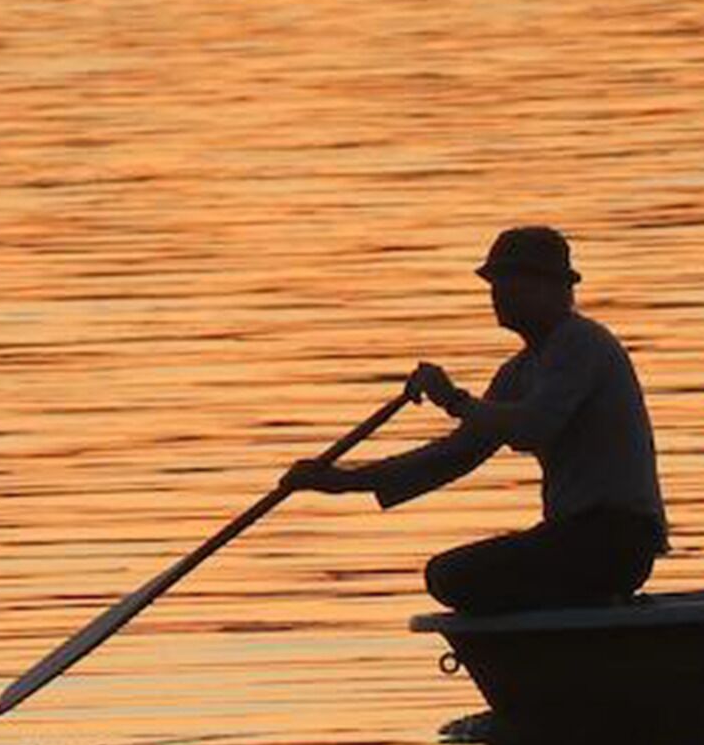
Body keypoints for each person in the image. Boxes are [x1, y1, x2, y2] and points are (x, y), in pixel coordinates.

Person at [283, 226, 667, 614]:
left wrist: (453, 399)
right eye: (495, 285)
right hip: (573, 537)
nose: (498, 296)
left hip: (615, 539)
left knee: (454, 577)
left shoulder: (580, 342)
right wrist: (344, 481)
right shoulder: (518, 371)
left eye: (511, 284)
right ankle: (582, 615)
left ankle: (589, 612)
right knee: (446, 576)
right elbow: (457, 454)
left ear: (552, 288)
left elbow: (535, 425)